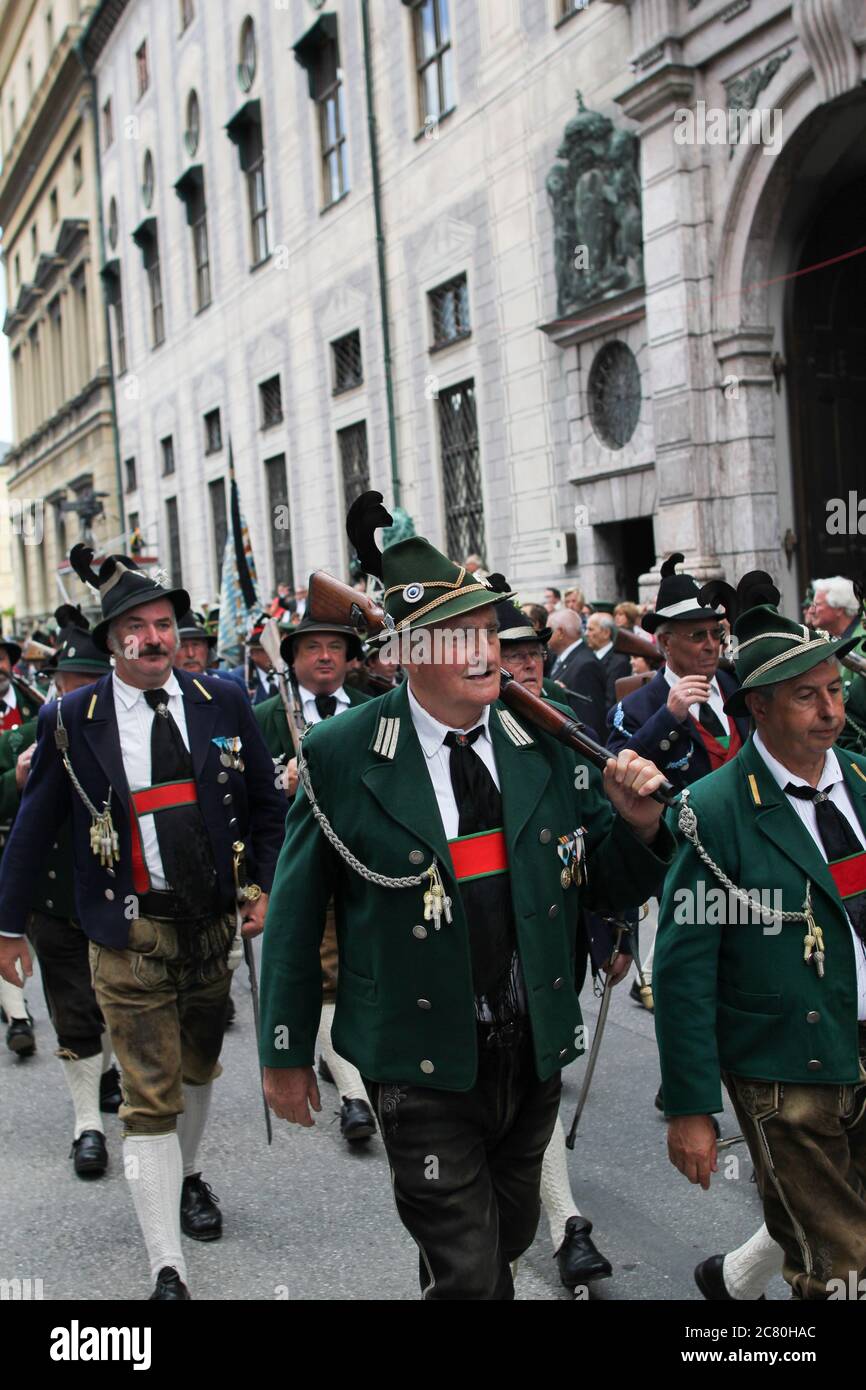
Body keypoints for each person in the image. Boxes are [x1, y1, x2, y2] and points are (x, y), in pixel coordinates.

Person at [259, 505, 674, 1300]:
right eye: (460, 636)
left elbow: (602, 884)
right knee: (474, 1274)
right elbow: (296, 909)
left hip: (531, 1044)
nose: (487, 651)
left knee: (504, 1237)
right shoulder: (341, 754)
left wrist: (640, 826)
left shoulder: (542, 740)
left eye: (489, 630)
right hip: (417, 1056)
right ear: (410, 654)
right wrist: (284, 1051)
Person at [0, 548, 285, 1300]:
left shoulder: (222, 701)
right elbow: (31, 832)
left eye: (164, 624)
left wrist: (260, 886)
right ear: (113, 640)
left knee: (196, 1071)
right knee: (148, 1095)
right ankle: (168, 1265)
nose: (155, 638)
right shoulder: (70, 718)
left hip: (213, 931)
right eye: (137, 627)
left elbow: (266, 806)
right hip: (125, 933)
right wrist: (4, 930)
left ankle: (189, 1176)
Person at [654, 584, 866, 1299]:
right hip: (787, 1070)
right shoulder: (711, 812)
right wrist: (690, 1106)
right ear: (760, 707)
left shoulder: (864, 784)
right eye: (807, 696)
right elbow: (683, 970)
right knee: (843, 1271)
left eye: (836, 690)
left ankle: (735, 1282)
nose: (831, 711)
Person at [497, 599, 618, 1289]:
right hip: (486, 952)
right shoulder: (464, 732)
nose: (528, 665)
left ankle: (548, 1224)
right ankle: (564, 1222)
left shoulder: (565, 725)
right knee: (523, 1086)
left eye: (534, 653)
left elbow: (594, 839)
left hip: (555, 942)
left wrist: (609, 934)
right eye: (512, 656)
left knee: (534, 1081)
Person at [0, 606, 124, 1171]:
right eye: (64, 682)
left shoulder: (131, 732)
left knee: (120, 1004)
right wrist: (19, 779)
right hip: (55, 898)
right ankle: (87, 1125)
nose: (70, 693)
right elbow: (15, 824)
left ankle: (118, 1084)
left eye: (84, 682)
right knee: (73, 1009)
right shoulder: (32, 732)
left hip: (120, 893)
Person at [254, 612, 375, 1143]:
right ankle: (354, 1098)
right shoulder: (265, 717)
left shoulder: (375, 712)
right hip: (303, 860)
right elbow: (248, 796)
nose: (323, 657)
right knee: (325, 974)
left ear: (350, 659)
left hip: (367, 862)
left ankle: (364, 1063)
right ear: (293, 658)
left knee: (366, 971)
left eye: (334, 647)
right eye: (311, 648)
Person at [607, 554, 749, 793]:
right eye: (698, 636)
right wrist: (669, 717)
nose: (712, 645)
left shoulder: (738, 686)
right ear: (666, 642)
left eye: (716, 634)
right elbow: (619, 783)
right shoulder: (633, 710)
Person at [546, 610, 608, 735]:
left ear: (560, 632)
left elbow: (588, 719)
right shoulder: (561, 658)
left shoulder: (585, 664)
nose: (546, 634)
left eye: (549, 630)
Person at [176, 611, 247, 695]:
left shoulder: (233, 683)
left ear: (207, 648)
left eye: (196, 645)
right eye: (182, 646)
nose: (191, 654)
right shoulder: (163, 690)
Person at [229, 614, 281, 704]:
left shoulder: (289, 673)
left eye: (274, 649)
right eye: (266, 650)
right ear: (253, 654)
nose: (272, 654)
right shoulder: (237, 678)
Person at [585, 612, 630, 710]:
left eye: (590, 629)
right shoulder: (587, 656)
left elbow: (611, 702)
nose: (586, 634)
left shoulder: (619, 663)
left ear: (606, 633)